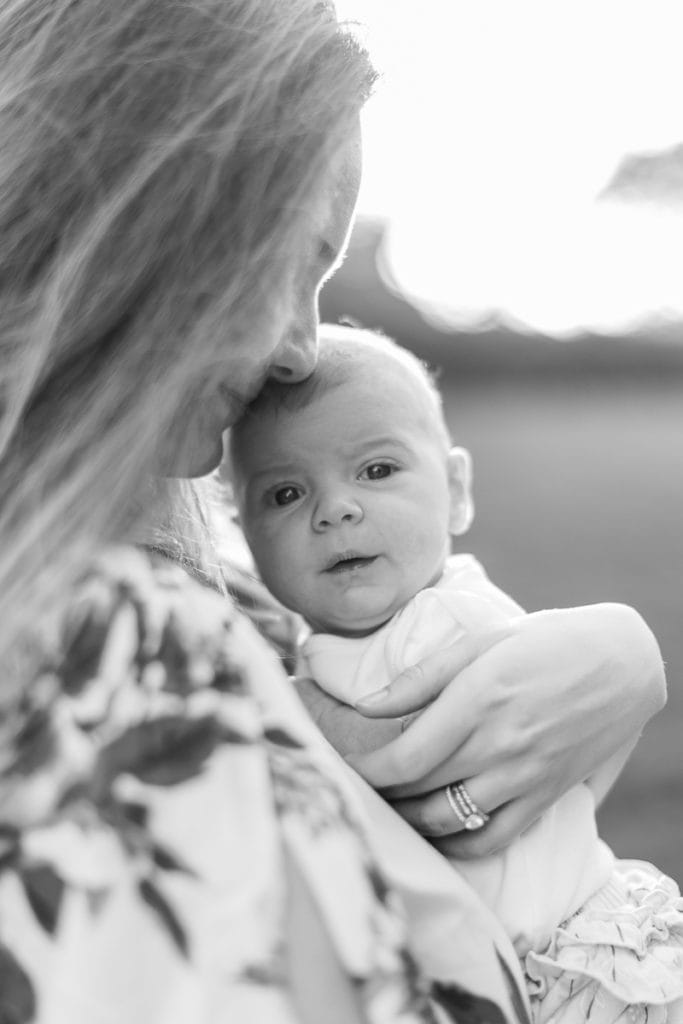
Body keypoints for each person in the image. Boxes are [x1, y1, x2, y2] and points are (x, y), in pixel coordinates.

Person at [0, 1, 666, 1022]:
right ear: (144, 224)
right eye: (293, 259)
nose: (303, 347)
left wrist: (615, 658)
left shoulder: (210, 585)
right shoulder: (110, 646)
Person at [227, 324, 683, 1023]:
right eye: (285, 494)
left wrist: (271, 702)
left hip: (575, 968)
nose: (335, 509)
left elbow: (379, 749)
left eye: (376, 471)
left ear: (457, 490)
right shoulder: (326, 647)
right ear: (244, 536)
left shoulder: (446, 623)